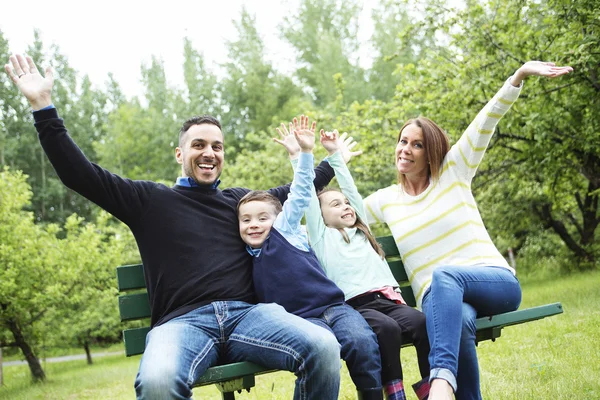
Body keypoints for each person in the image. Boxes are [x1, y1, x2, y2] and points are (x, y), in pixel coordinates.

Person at [5, 54, 348, 400]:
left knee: (321, 346)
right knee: (157, 382)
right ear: (179, 154)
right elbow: (80, 175)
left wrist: (332, 159)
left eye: (217, 146)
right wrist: (43, 107)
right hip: (182, 324)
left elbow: (297, 191)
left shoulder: (242, 203)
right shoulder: (149, 201)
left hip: (249, 317)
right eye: (198, 145)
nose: (209, 153)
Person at [362, 61, 573, 400]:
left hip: (493, 283)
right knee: (456, 319)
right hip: (441, 302)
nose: (405, 149)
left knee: (443, 275)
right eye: (403, 141)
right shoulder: (386, 200)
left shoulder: (454, 172)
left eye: (416, 144)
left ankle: (441, 381)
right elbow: (340, 212)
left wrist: (518, 76)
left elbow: (486, 121)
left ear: (431, 152)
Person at [237, 115, 383, 400]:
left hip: (333, 306)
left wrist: (303, 153)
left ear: (280, 218)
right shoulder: (243, 252)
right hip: (301, 320)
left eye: (262, 217)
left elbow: (302, 190)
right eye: (246, 220)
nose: (254, 224)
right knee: (323, 346)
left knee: (362, 342)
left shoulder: (284, 231)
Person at [298, 126, 431, 400]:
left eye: (346, 203)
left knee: (420, 321)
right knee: (388, 330)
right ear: (321, 216)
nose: (346, 206)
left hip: (388, 301)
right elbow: (307, 196)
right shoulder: (322, 237)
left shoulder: (363, 231)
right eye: (335, 205)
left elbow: (352, 190)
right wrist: (305, 153)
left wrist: (335, 154)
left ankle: (430, 385)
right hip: (357, 306)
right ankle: (394, 390)